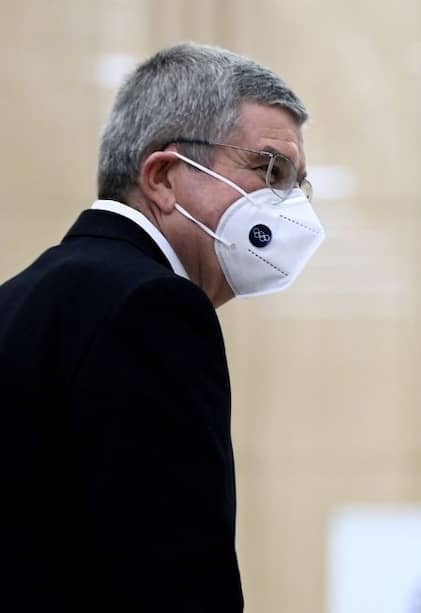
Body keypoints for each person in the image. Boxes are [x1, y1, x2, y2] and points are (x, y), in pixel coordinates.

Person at [0, 43, 323, 612]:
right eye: (271, 169)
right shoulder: (153, 307)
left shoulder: (25, 296)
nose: (291, 203)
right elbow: (175, 573)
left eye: (299, 183)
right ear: (164, 178)